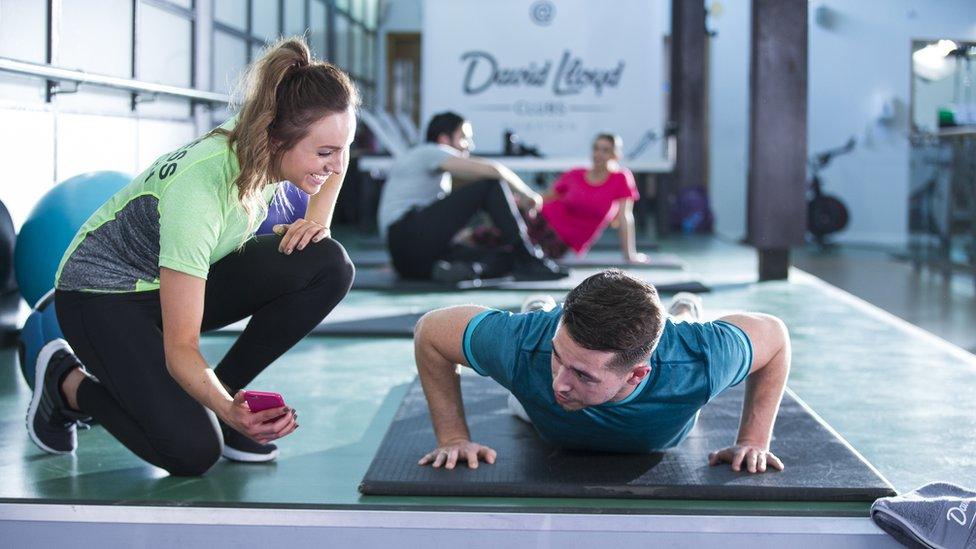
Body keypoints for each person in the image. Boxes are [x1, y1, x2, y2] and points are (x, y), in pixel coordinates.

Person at [26, 37, 358, 475]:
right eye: (324, 153)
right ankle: (65, 384)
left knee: (327, 263)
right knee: (192, 452)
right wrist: (225, 410)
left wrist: (319, 218)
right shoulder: (199, 192)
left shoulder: (272, 125)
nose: (335, 165)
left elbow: (340, 154)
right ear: (276, 139)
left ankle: (226, 401)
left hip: (170, 279)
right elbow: (181, 349)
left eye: (340, 149)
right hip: (102, 296)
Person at [412, 270, 790, 473]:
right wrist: (453, 438)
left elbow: (775, 337)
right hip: (539, 417)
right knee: (533, 357)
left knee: (677, 331)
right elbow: (431, 331)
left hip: (667, 429)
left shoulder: (697, 362)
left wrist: (754, 440)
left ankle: (684, 313)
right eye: (558, 356)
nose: (559, 384)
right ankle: (540, 308)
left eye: (584, 375)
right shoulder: (522, 344)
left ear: (635, 376)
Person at [377, 111, 567, 282]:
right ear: (444, 139)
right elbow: (494, 170)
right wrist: (528, 194)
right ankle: (528, 256)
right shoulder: (429, 151)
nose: (470, 145)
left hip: (411, 260)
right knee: (489, 185)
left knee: (506, 256)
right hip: (406, 236)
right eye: (464, 138)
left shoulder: (432, 169)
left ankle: (465, 269)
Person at [526, 133, 649, 263]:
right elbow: (543, 197)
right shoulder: (575, 174)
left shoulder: (621, 178)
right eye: (596, 149)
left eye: (605, 150)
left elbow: (625, 216)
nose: (598, 154)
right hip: (538, 222)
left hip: (562, 242)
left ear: (615, 155)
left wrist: (629, 255)